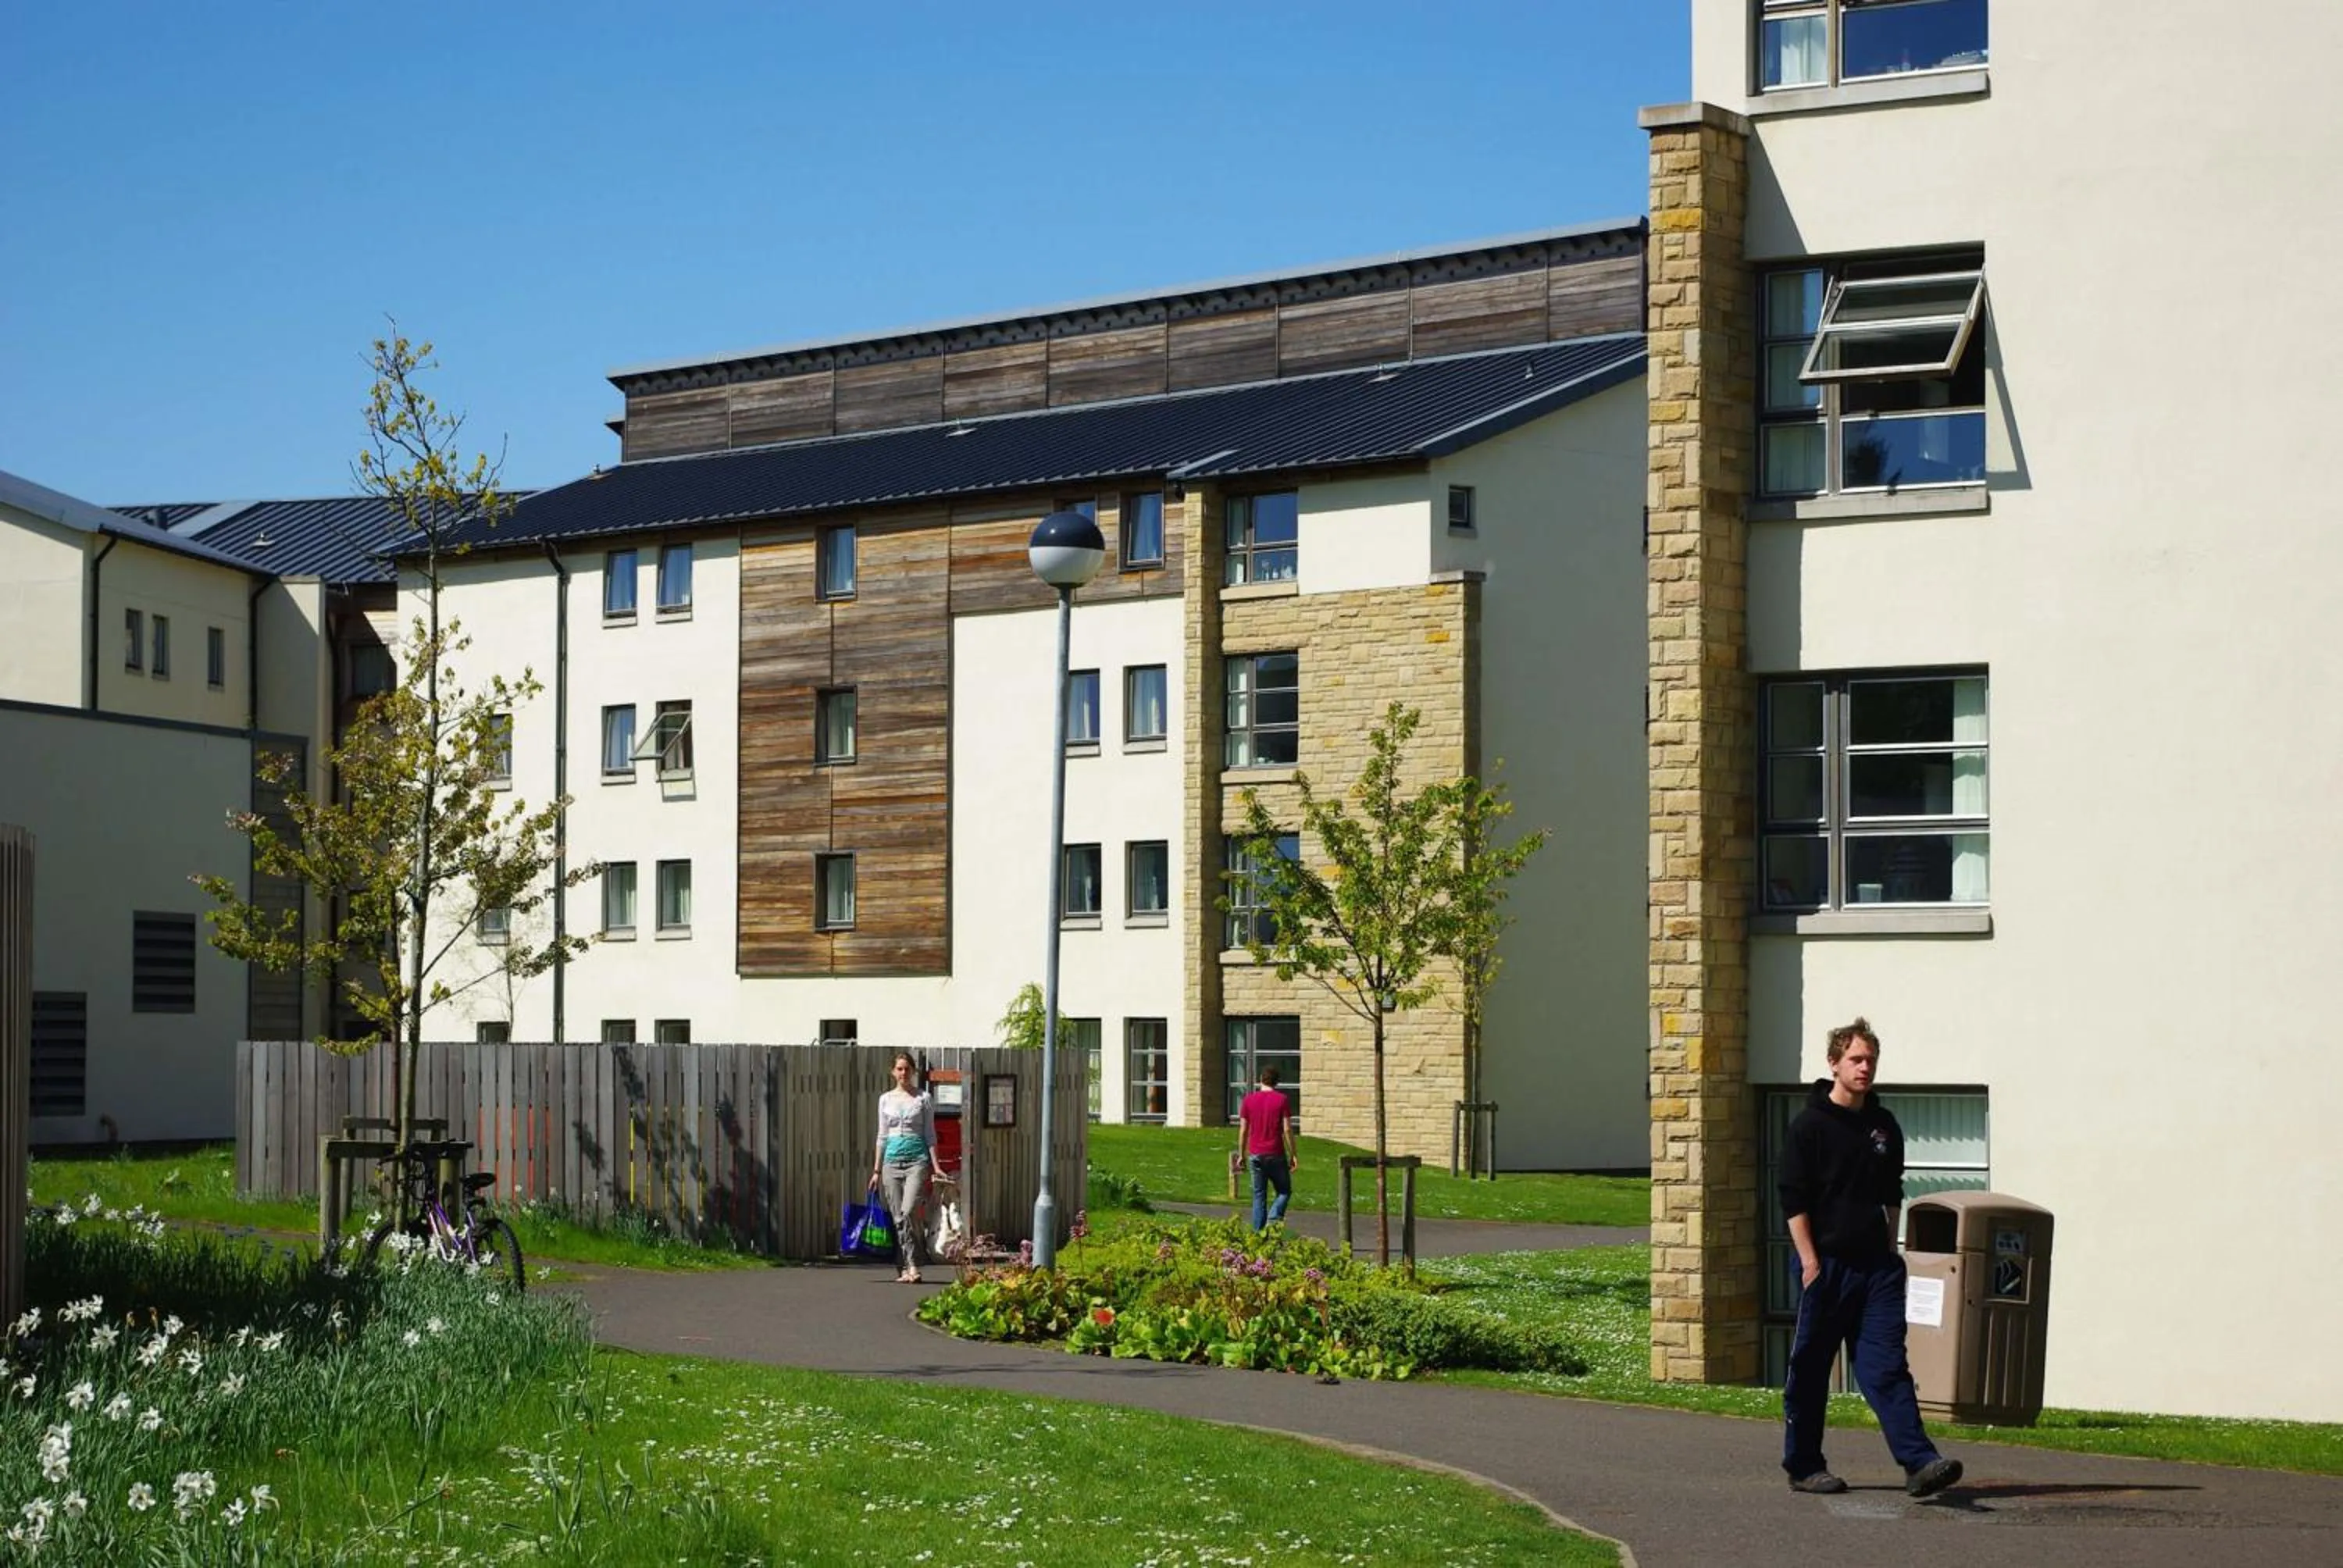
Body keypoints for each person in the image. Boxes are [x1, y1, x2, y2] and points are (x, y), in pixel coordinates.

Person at [1778, 1017, 1963, 1499]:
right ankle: (1804, 1465)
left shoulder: (1883, 1126)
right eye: (1856, 1060)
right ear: (1834, 1063)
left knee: (1884, 1366)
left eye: (1871, 1060)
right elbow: (1792, 1201)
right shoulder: (1809, 1127)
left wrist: (1890, 1248)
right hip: (1826, 1266)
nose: (1865, 1068)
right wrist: (1811, 1263)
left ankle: (1921, 1463)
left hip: (1875, 1269)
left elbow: (1891, 1193)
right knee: (1812, 1369)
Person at [871, 1052, 947, 1284]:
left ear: (913, 1071)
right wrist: (876, 1171)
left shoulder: (923, 1099)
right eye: (899, 1069)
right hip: (891, 1162)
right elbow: (882, 1136)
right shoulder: (885, 1100)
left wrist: (936, 1167)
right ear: (893, 1072)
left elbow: (930, 1134)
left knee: (908, 1210)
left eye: (907, 1069)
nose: (904, 1073)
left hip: (916, 1161)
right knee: (897, 1217)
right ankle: (907, 1265)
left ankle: (912, 1262)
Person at [1236, 1066, 1299, 1230]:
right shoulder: (1281, 1100)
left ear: (1260, 1080)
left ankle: (1258, 1235)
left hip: (1256, 1153)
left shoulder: (1249, 1100)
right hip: (1275, 1152)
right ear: (1277, 1082)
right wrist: (1293, 1153)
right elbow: (1286, 1129)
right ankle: (1274, 1216)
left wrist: (1241, 1154)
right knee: (1284, 1191)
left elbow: (1243, 1130)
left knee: (1259, 1196)